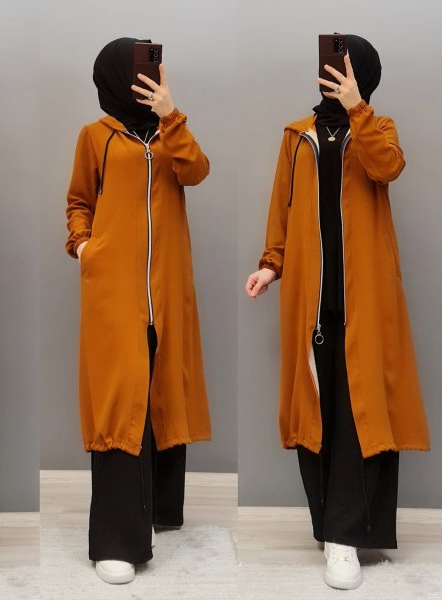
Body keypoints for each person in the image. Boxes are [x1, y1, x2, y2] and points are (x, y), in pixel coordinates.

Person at [245, 34, 429, 590]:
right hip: (311, 302)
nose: (333, 77)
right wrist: (271, 264)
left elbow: (387, 168)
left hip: (365, 300)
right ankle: (330, 528)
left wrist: (357, 108)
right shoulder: (296, 136)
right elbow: (282, 206)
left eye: (345, 70)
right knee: (319, 414)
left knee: (359, 413)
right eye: (329, 69)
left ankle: (347, 538)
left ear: (362, 75)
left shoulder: (378, 128)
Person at [65, 37, 212, 584]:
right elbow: (78, 201)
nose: (146, 80)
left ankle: (161, 510)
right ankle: (117, 539)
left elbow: (196, 171)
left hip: (167, 289)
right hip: (113, 290)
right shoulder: (95, 136)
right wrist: (85, 246)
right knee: (119, 401)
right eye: (135, 72)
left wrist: (171, 114)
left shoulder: (172, 134)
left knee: (164, 389)